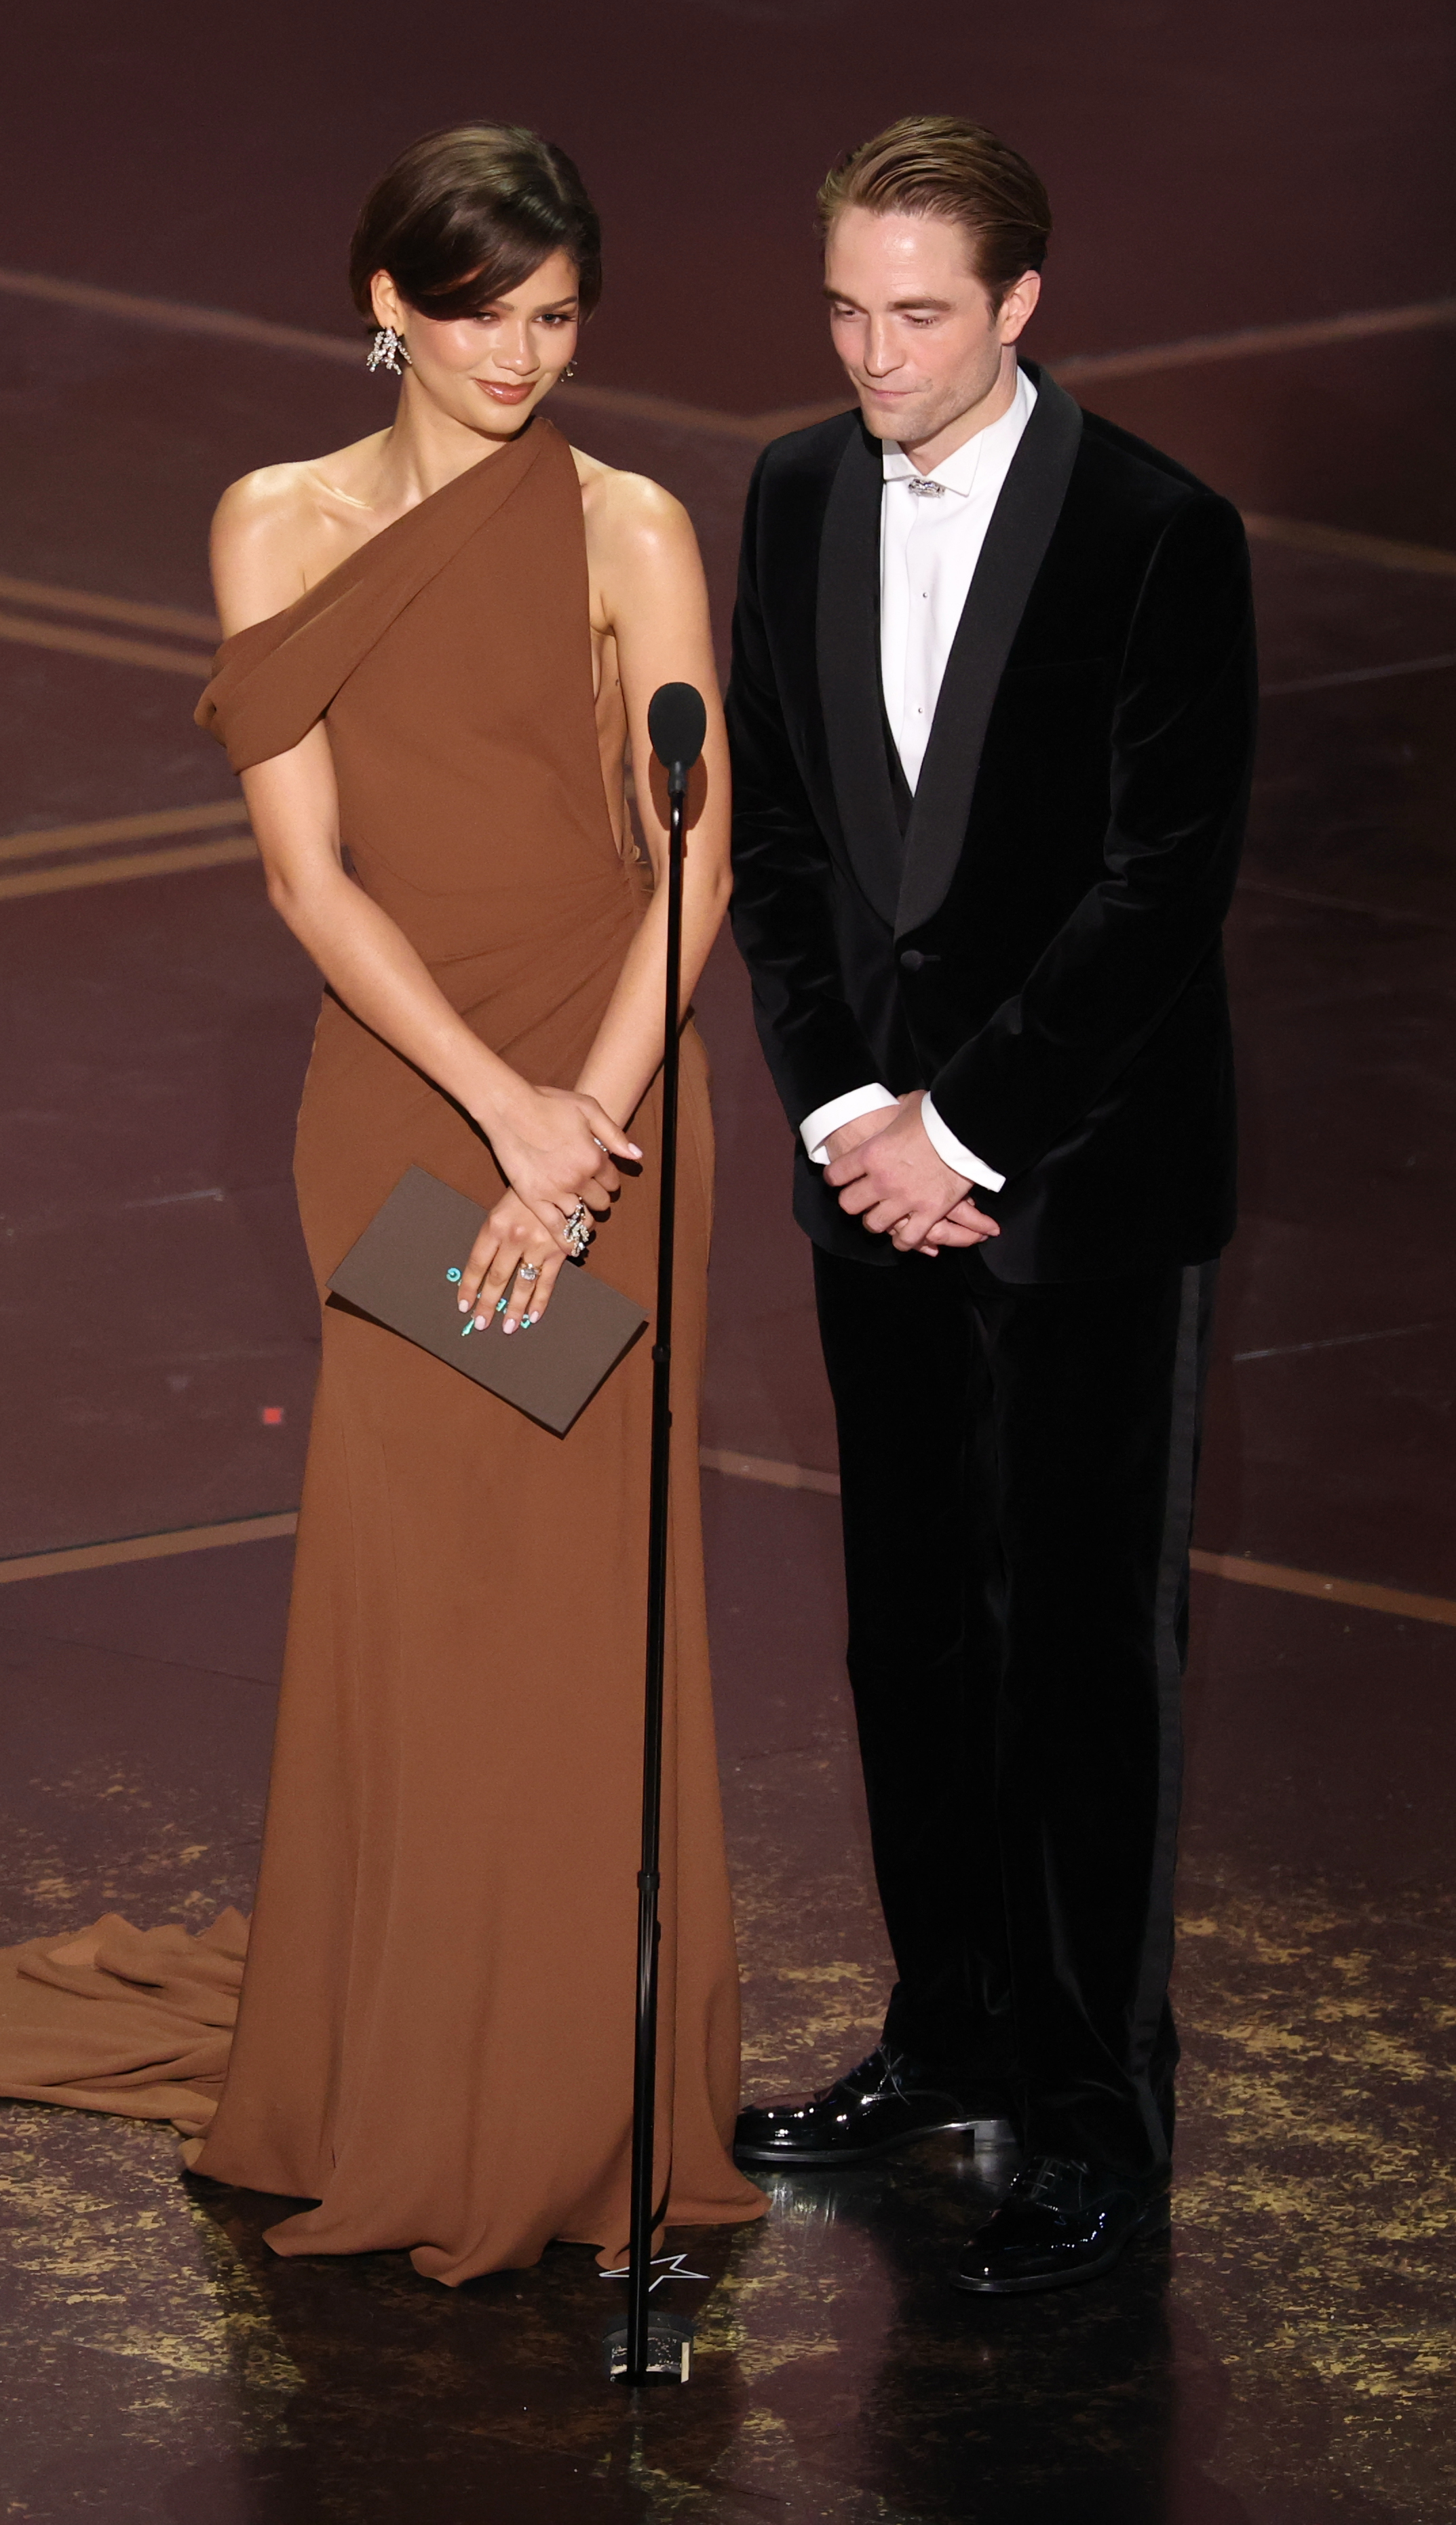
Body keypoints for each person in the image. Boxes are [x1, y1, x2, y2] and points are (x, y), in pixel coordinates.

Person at [0, 121, 764, 2285]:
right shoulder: (272, 520)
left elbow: (700, 855)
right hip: (404, 1102)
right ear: (385, 301)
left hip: (622, 1101)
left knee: (579, 1606)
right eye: (478, 316)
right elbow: (307, 871)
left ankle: (575, 2088)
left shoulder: (632, 522)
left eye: (556, 319)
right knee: (422, 1588)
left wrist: (583, 1127)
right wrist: (500, 1119)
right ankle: (397, 2062)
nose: (517, 358)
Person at [726, 115, 1255, 2294]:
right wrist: (856, 1106)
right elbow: (774, 847)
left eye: (917, 312)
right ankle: (945, 2032)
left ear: (1019, 305)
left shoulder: (1156, 531)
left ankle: (1087, 2113)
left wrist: (963, 1131)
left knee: (1081, 1666)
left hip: (1077, 1189)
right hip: (871, 1170)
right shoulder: (782, 489)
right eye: (845, 307)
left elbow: (1158, 890)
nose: (872, 352)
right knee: (912, 1630)